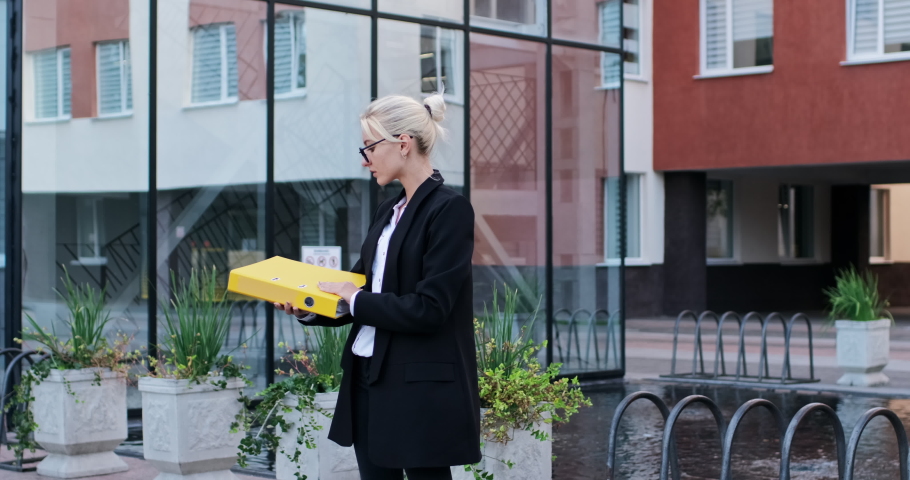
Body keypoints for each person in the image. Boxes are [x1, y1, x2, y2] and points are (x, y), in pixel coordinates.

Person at [274, 93, 480, 480]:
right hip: (368, 375)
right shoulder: (389, 210)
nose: (364, 159)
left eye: (369, 147)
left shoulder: (449, 210)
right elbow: (360, 290)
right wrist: (308, 306)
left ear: (403, 143)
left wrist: (356, 298)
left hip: (418, 384)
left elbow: (431, 308)